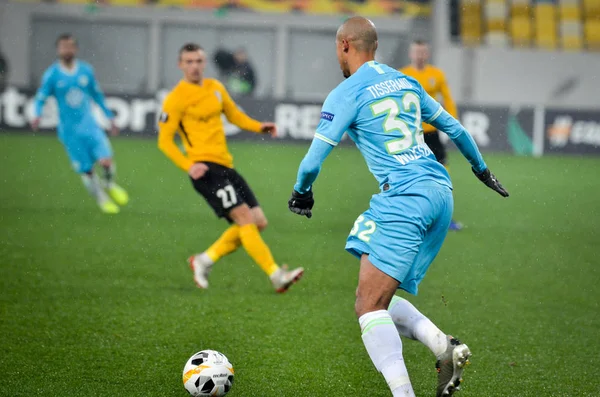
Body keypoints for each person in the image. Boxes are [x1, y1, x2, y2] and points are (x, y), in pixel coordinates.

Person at [288, 17, 508, 397]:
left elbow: (311, 162)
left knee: (368, 307)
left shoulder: (347, 92)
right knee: (376, 299)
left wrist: (301, 192)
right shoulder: (406, 81)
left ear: (344, 46)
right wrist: (482, 170)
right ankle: (443, 347)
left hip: (405, 197)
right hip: (441, 191)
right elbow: (456, 130)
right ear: (374, 46)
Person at [158, 43, 303, 293]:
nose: (194, 66)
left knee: (258, 222)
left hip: (226, 166)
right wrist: (188, 165)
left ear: (205, 63)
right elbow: (164, 140)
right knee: (245, 218)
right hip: (205, 170)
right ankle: (275, 274)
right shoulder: (176, 99)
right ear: (180, 65)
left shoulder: (215, 88)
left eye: (198, 61)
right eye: (189, 61)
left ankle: (204, 260)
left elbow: (234, 115)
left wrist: (259, 127)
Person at [32, 34, 128, 214]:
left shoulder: (85, 71)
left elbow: (97, 95)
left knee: (106, 161)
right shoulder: (52, 75)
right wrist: (37, 115)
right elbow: (40, 98)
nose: (67, 50)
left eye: (70, 46)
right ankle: (102, 198)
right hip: (70, 133)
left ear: (75, 49)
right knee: (88, 170)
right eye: (63, 47)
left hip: (90, 126)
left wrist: (109, 116)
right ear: (58, 50)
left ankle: (109, 183)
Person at [400, 40, 463, 231]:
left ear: (427, 55)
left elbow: (448, 100)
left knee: (443, 172)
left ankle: (444, 216)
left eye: (423, 52)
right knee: (408, 174)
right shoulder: (403, 75)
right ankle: (406, 215)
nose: (419, 56)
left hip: (431, 133)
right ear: (411, 54)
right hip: (411, 134)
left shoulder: (437, 75)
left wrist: (452, 125)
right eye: (416, 52)